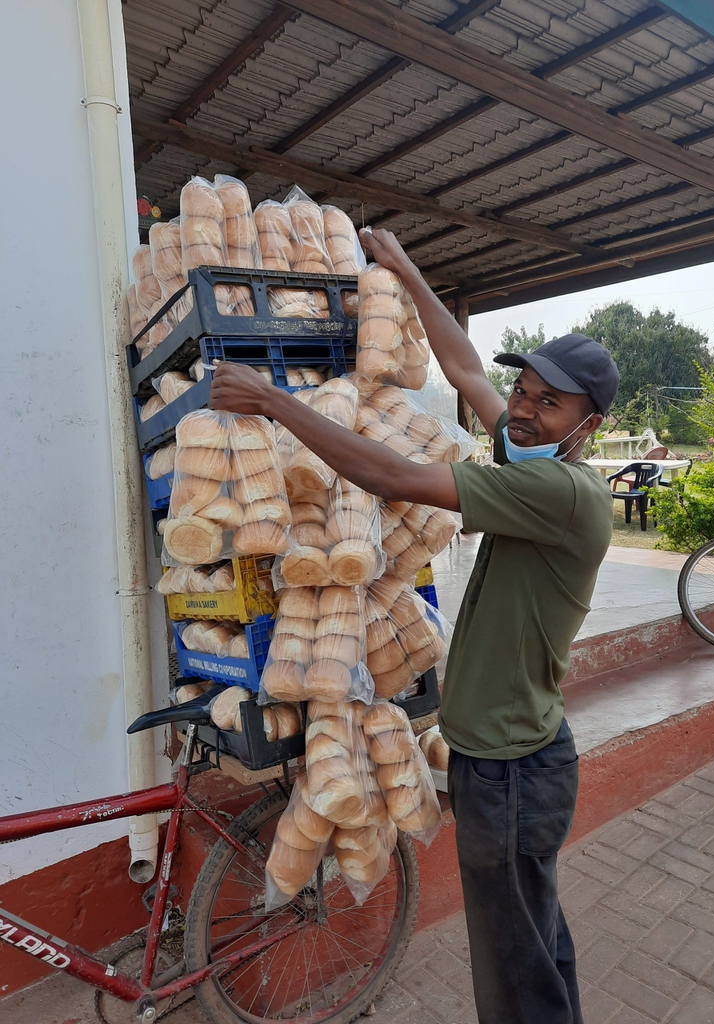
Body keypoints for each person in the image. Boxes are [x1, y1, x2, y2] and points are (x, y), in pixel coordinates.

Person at [209, 228, 619, 1024]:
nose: (524, 410)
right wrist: (404, 269)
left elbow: (389, 473)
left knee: (512, 966)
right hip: (514, 757)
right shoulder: (533, 453)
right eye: (525, 391)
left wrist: (271, 401)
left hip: (510, 770)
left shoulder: (564, 494)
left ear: (589, 424)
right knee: (534, 943)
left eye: (550, 402)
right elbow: (466, 370)